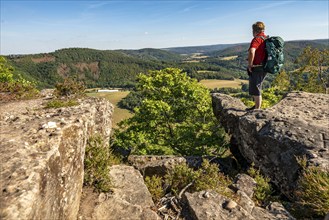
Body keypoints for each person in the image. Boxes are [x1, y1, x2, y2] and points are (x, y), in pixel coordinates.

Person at [247, 21, 267, 110]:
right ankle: (256, 106)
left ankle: (257, 110)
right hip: (264, 66)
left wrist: (250, 65)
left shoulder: (256, 39)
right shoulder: (265, 38)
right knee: (258, 86)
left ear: (254, 31)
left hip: (257, 67)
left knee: (256, 88)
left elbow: (252, 51)